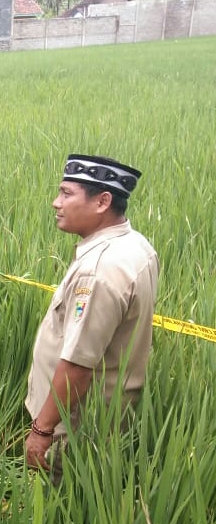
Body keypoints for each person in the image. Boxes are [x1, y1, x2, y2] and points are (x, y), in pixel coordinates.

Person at [25, 154, 159, 480]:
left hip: (71, 426)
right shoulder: (136, 245)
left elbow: (78, 366)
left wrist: (42, 430)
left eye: (66, 194)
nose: (56, 203)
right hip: (106, 416)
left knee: (55, 509)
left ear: (102, 201)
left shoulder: (98, 272)